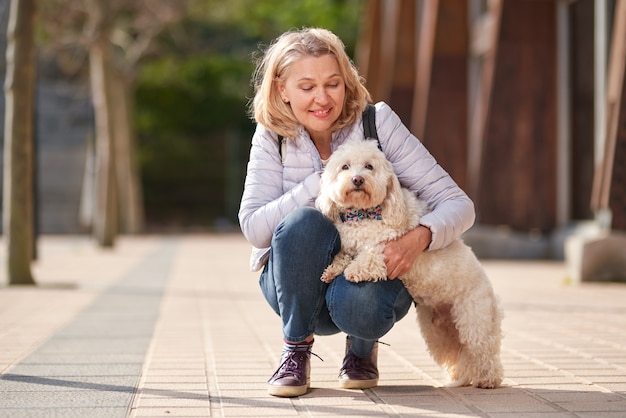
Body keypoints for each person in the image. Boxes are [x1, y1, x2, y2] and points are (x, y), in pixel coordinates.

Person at [238, 27, 475, 398]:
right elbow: (253, 228)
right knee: (304, 223)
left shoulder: (376, 122)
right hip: (295, 286)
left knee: (361, 301)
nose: (322, 98)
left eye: (332, 83)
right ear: (282, 90)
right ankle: (295, 352)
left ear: (346, 83)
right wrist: (323, 181)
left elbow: (459, 204)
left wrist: (420, 238)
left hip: (366, 287)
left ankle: (361, 350)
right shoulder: (272, 136)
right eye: (306, 87)